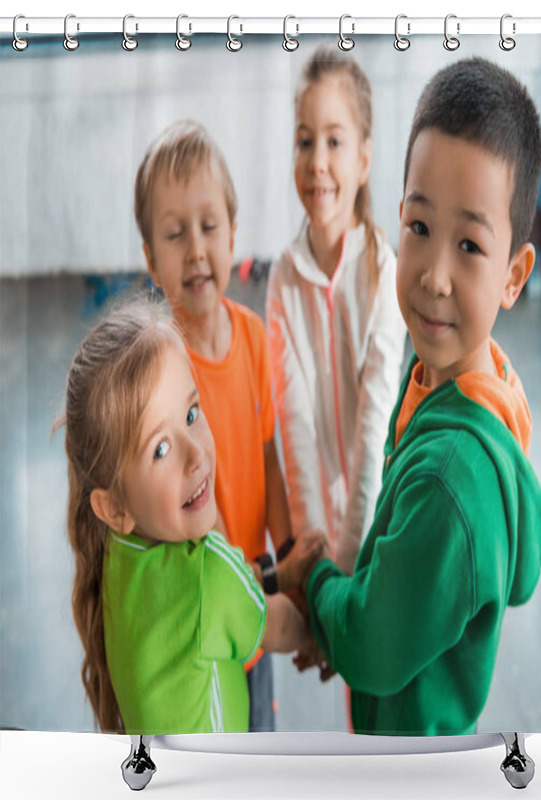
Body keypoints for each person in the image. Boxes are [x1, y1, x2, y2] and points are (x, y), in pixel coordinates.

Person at [302, 58, 541, 736]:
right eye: (419, 229)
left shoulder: (454, 479)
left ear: (514, 275)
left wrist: (316, 588)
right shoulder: (457, 372)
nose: (434, 278)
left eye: (471, 245)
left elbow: (370, 649)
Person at [59, 298, 320, 734]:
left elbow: (218, 597)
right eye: (160, 448)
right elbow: (282, 627)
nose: (196, 453)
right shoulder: (207, 575)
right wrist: (322, 637)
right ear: (114, 507)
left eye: (192, 414)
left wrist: (281, 573)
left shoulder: (118, 549)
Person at [134, 120, 293, 731]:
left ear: (234, 233)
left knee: (263, 733)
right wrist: (272, 583)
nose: (197, 250)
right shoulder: (161, 370)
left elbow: (269, 455)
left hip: (255, 585)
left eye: (209, 228)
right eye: (175, 235)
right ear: (150, 256)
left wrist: (292, 557)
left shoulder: (253, 336)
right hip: (210, 604)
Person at [266, 46, 407, 577]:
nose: (317, 161)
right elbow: (294, 423)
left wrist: (348, 561)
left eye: (334, 141)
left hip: (383, 521)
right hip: (320, 529)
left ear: (364, 159)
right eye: (305, 141)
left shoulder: (382, 271)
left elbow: (376, 432)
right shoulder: (282, 279)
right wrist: (314, 560)